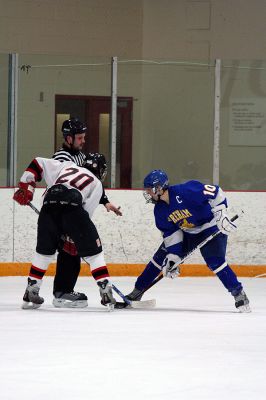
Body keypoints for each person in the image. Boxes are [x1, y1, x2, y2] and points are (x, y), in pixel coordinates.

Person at [125, 169, 251, 313]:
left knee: (215, 262)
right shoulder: (159, 210)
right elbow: (171, 234)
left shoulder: (186, 191)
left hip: (210, 226)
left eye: (149, 190)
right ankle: (137, 291)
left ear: (159, 188)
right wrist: (173, 256)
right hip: (187, 232)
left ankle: (238, 293)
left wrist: (222, 215)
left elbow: (216, 192)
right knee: (160, 258)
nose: (147, 194)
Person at [13, 154, 117, 310]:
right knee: (94, 253)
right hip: (73, 205)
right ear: (101, 170)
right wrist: (72, 236)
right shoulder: (96, 183)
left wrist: (26, 186)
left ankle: (31, 290)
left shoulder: (67, 165)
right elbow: (85, 214)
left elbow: (37, 162)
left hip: (48, 206)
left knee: (44, 253)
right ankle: (106, 290)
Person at [51, 117, 121, 308]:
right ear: (68, 138)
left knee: (72, 251)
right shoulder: (61, 159)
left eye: (83, 137)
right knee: (68, 251)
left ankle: (64, 290)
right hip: (62, 210)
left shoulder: (80, 156)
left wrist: (105, 201)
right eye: (80, 138)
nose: (83, 141)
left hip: (72, 210)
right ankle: (62, 291)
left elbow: (89, 181)